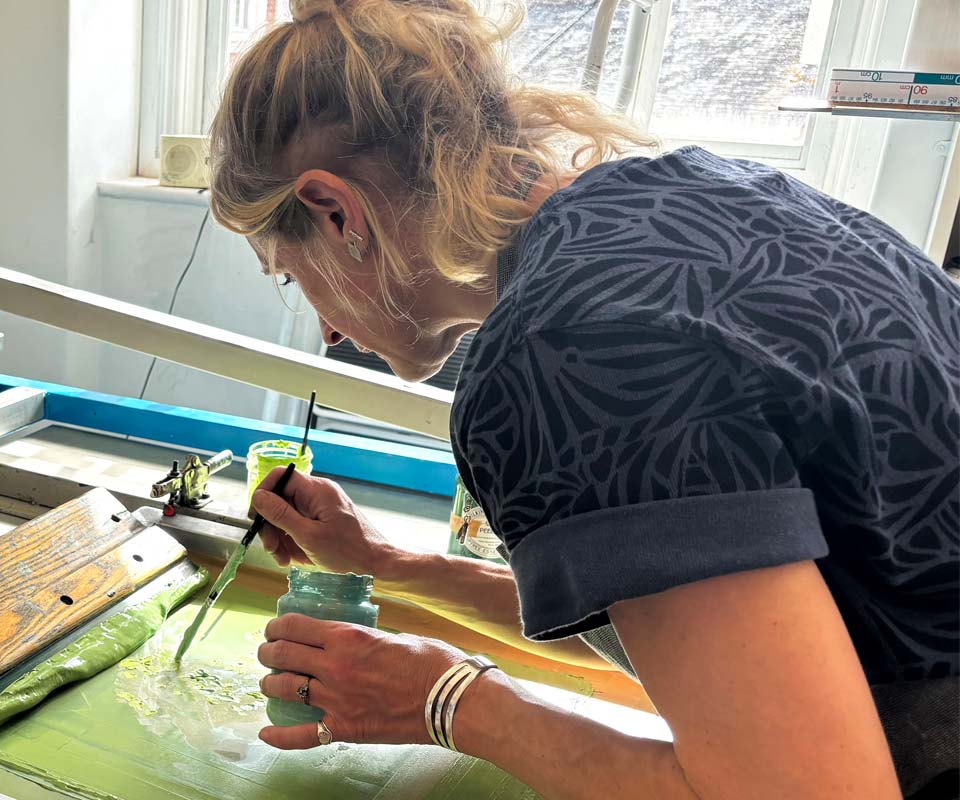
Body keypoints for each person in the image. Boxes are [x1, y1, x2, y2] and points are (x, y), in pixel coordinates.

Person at [207, 1, 960, 797]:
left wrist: (449, 702)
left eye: (294, 275)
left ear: (337, 213)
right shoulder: (710, 195)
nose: (326, 330)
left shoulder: (560, 349)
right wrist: (384, 565)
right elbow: (705, 633)